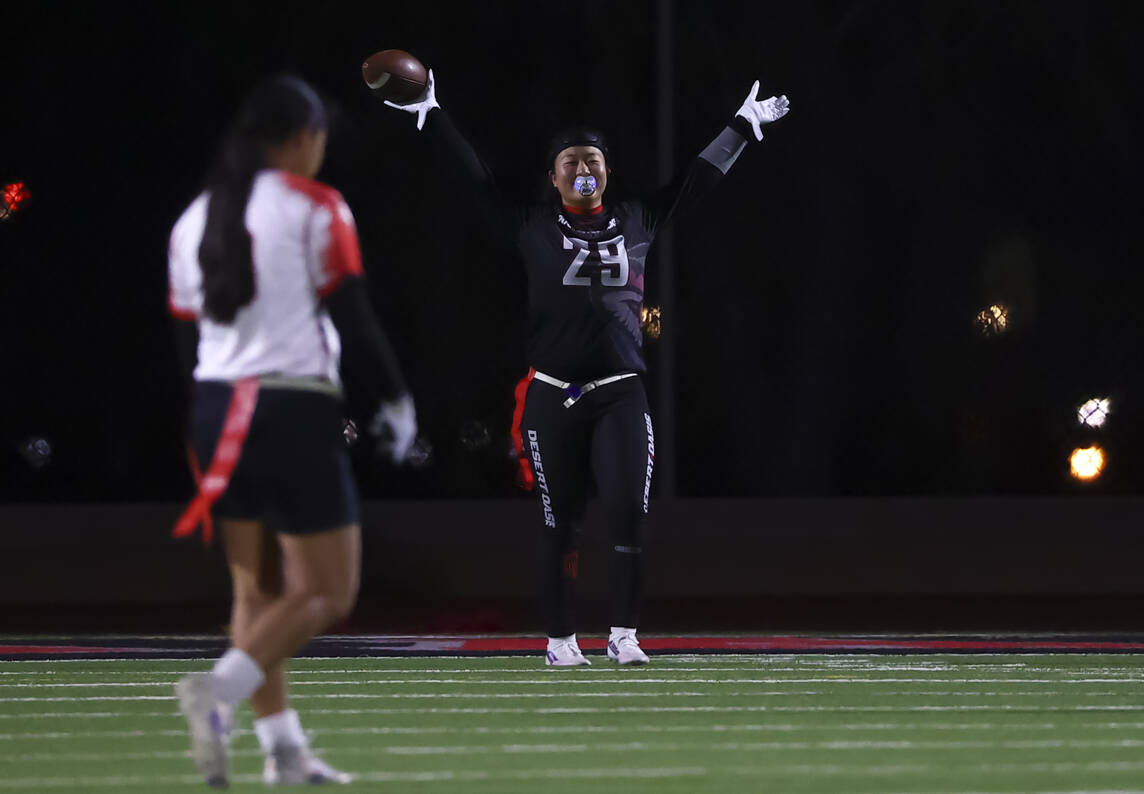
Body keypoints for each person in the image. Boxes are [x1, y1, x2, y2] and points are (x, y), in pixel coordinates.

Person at [383, 71, 788, 666]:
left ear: (607, 171)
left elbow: (696, 182)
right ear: (553, 175)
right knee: (559, 522)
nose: (583, 168)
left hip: (620, 390)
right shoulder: (533, 225)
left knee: (629, 512)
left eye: (592, 159)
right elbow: (475, 181)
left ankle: (624, 633)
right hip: (553, 393)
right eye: (571, 160)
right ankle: (560, 640)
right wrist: (432, 112)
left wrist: (743, 127)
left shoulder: (638, 217)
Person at [167, 74, 416, 786]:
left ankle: (282, 751)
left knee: (259, 595)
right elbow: (353, 315)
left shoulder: (193, 218)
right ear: (304, 137)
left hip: (216, 413)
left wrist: (199, 426)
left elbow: (186, 346)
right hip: (289, 407)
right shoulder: (317, 205)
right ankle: (217, 691)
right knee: (326, 593)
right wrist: (396, 398)